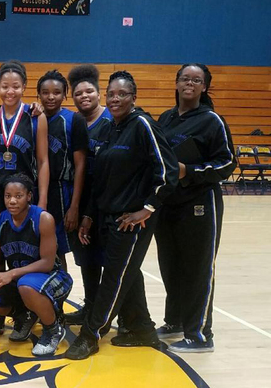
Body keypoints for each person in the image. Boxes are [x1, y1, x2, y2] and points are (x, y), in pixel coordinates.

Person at [65, 71, 179, 360]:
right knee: (129, 273)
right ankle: (142, 329)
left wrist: (147, 208)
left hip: (131, 220)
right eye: (111, 94)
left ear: (133, 96)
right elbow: (98, 180)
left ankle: (91, 335)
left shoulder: (142, 125)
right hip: (106, 216)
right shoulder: (108, 129)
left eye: (122, 94)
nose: (115, 99)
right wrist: (89, 215)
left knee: (113, 277)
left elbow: (168, 172)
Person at [154, 64, 236, 353]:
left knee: (198, 269)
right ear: (176, 83)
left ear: (204, 87)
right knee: (171, 266)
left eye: (197, 80)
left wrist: (191, 170)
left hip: (200, 204)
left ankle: (200, 334)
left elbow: (227, 163)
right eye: (185, 78)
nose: (190, 83)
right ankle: (175, 321)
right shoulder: (165, 118)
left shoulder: (212, 121)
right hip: (169, 204)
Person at [0, 60, 50, 335]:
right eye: (5, 86)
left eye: (16, 86)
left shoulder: (35, 117)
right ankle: (0, 309)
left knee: (21, 254)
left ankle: (25, 310)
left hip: (22, 197)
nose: (11, 91)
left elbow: (43, 161)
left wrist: (41, 201)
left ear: (24, 87)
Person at [0, 173, 73, 357]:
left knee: (27, 285)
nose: (12, 201)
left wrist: (11, 273)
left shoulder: (43, 219)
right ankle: (24, 315)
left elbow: (47, 263)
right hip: (22, 280)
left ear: (29, 196)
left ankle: (52, 330)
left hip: (53, 277)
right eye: (8, 196)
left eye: (18, 196)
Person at [63, 64, 112, 326]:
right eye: (78, 93)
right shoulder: (75, 122)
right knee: (87, 259)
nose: (84, 96)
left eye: (89, 91)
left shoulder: (111, 121)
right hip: (82, 200)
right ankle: (91, 307)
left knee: (111, 261)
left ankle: (115, 313)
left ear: (99, 92)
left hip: (108, 203)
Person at [37, 69, 88, 271]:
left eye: (56, 92)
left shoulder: (74, 120)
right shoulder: (32, 117)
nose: (51, 97)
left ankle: (59, 296)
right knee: (35, 247)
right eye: (45, 92)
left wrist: (74, 206)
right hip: (34, 189)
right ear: (38, 94)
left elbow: (81, 165)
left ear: (65, 94)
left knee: (56, 249)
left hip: (61, 191)